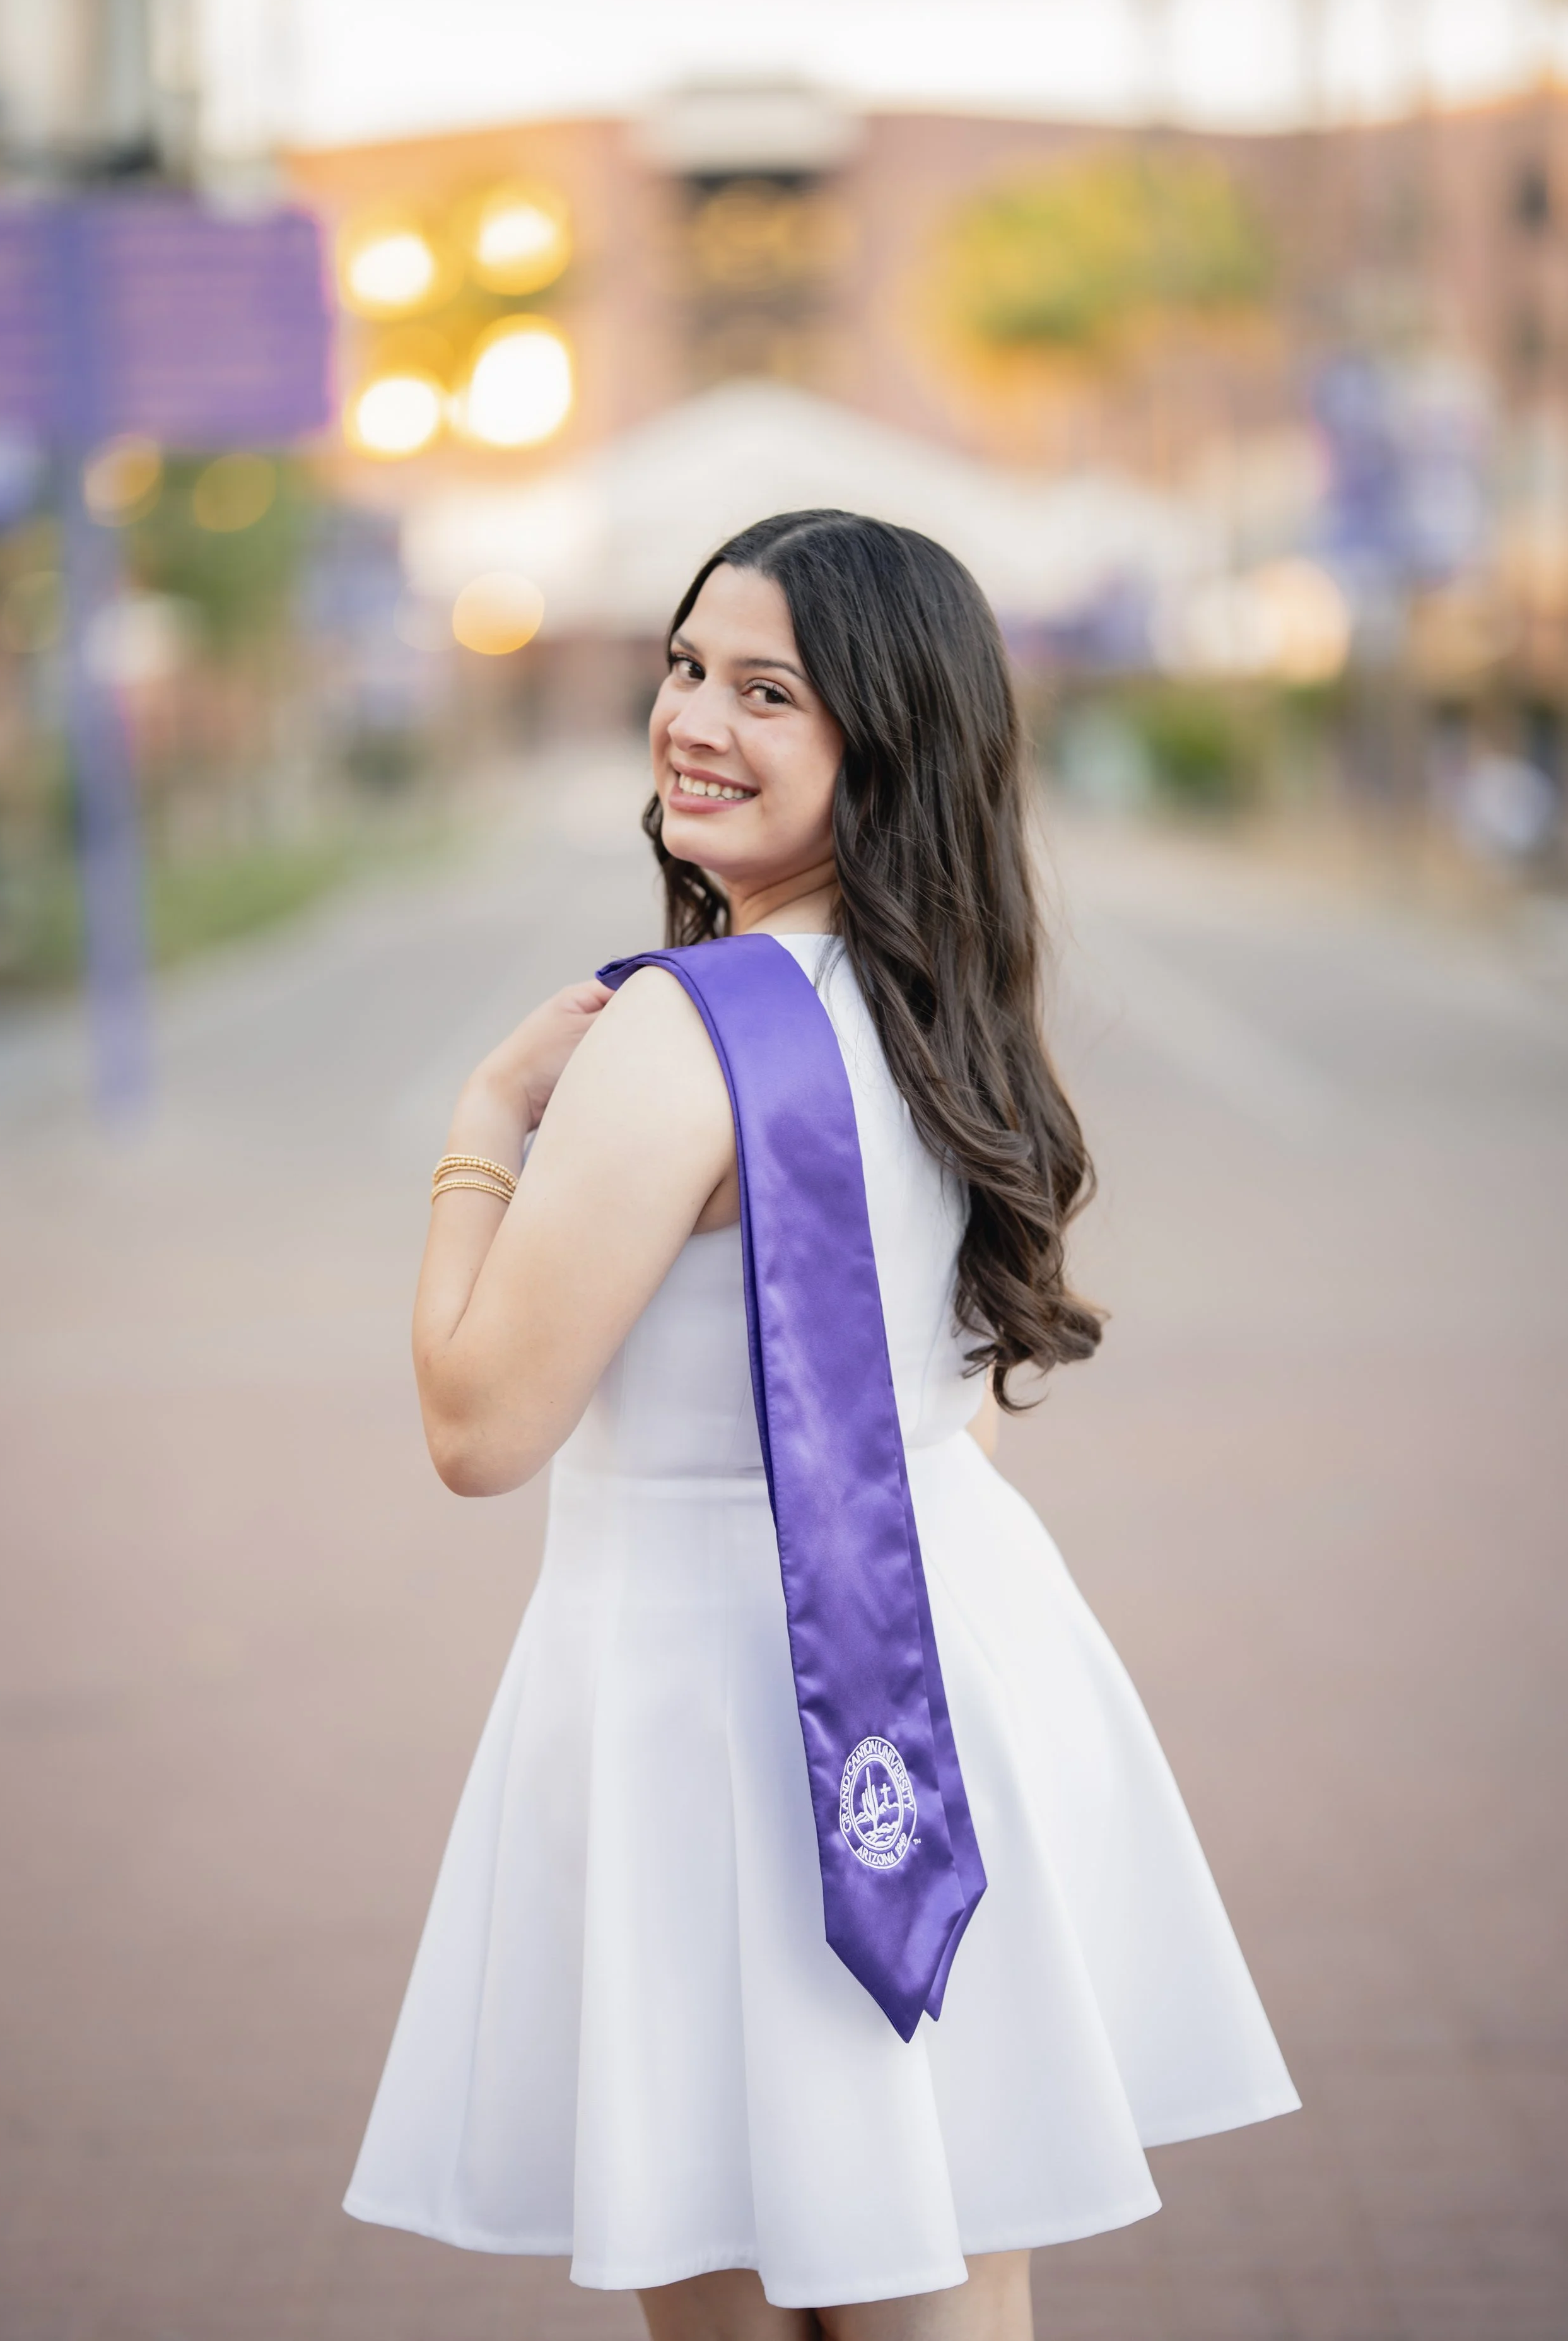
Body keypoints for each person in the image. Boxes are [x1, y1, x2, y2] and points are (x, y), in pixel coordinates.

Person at [344, 512, 1299, 2340]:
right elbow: (952, 1395)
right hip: (963, 1666)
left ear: (886, 737)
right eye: (687, 666)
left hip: (715, 1697)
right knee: (950, 2249)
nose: (693, 717)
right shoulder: (952, 1007)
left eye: (766, 690)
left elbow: (476, 1422)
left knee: (750, 2277)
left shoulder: (678, 1031)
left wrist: (481, 1121)